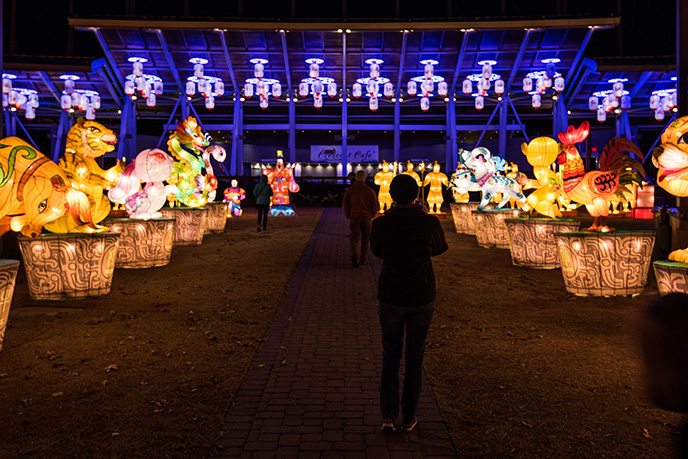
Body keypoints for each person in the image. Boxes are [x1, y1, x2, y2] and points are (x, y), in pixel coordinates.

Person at [370, 174, 448, 433]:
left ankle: (388, 416)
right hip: (421, 294)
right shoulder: (429, 222)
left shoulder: (381, 224)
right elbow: (439, 249)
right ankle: (409, 416)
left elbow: (377, 251)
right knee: (415, 357)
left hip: (391, 293)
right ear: (416, 195)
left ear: (390, 194)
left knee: (390, 355)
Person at [342, 170, 379, 268]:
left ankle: (354, 254)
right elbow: (374, 205)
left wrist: (348, 215)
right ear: (365, 178)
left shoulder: (350, 190)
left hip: (354, 217)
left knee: (354, 238)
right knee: (365, 239)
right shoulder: (369, 190)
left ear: (356, 178)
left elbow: (345, 205)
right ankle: (363, 259)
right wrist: (372, 214)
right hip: (366, 217)